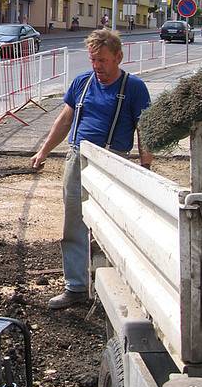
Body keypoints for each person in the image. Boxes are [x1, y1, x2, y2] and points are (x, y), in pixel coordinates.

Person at [31, 29, 153, 309]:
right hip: (77, 159)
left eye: (103, 60)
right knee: (74, 223)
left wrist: (145, 166)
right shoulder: (82, 83)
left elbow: (144, 129)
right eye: (93, 60)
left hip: (113, 162)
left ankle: (115, 287)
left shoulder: (133, 88)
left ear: (119, 57)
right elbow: (64, 120)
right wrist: (43, 151)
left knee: (112, 226)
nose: (97, 66)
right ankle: (76, 286)